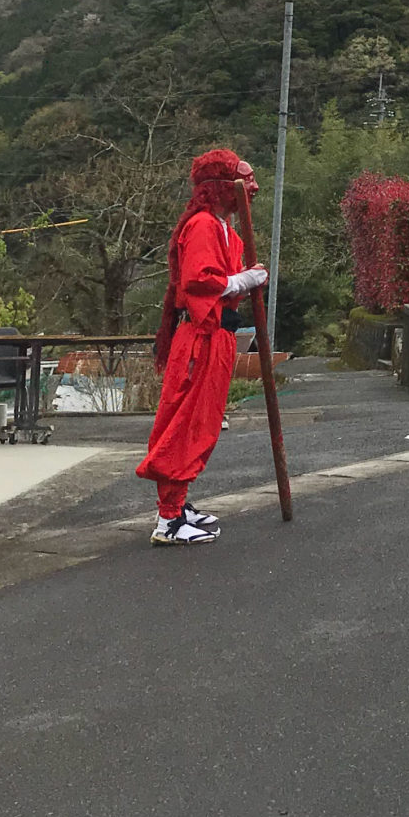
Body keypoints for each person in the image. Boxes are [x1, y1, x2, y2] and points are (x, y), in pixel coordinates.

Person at [137, 150, 269, 547]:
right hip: (201, 338)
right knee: (186, 424)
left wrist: (244, 280)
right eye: (245, 179)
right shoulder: (202, 226)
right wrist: (244, 281)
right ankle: (169, 519)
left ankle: (178, 506)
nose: (254, 187)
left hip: (219, 339)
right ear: (221, 187)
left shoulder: (224, 229)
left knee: (202, 425)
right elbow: (198, 281)